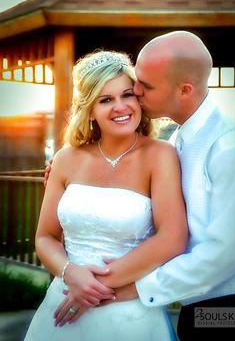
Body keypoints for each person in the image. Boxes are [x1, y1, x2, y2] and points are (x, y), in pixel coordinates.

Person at [45, 31, 235, 339]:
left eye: (143, 86)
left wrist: (133, 289)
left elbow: (227, 253)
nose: (135, 91)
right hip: (196, 308)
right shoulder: (177, 142)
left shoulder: (233, 143)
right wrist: (73, 184)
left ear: (184, 90)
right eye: (106, 98)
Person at [24, 50, 188, 341]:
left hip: (129, 314)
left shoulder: (160, 155)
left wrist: (93, 289)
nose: (120, 107)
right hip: (62, 305)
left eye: (127, 95)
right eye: (105, 99)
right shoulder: (66, 159)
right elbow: (45, 237)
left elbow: (172, 237)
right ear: (89, 109)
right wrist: (69, 272)